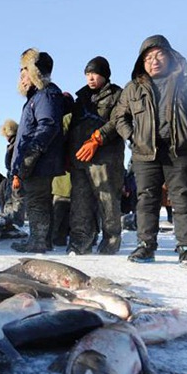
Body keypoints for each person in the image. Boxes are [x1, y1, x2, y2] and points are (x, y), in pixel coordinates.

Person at [113, 35, 187, 266]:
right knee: (146, 199)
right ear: (142, 62)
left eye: (159, 55)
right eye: (148, 57)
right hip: (145, 152)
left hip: (179, 150)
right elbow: (119, 117)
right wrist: (132, 136)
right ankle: (146, 246)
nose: (154, 61)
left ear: (170, 56)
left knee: (182, 198)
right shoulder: (133, 87)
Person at [66, 56, 124, 255]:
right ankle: (81, 241)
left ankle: (111, 240)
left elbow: (118, 121)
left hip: (105, 158)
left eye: (95, 74)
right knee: (80, 201)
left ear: (105, 75)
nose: (91, 78)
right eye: (88, 74)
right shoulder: (80, 99)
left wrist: (98, 139)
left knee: (107, 200)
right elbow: (72, 127)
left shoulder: (118, 95)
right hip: (80, 159)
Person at [9, 49, 66, 253]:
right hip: (38, 160)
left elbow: (48, 125)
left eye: (24, 70)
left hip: (40, 161)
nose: (21, 76)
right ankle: (41, 239)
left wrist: (31, 153)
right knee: (38, 200)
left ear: (35, 71)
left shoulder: (45, 95)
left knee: (37, 200)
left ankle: (38, 242)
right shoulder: (36, 97)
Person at [0, 119, 24, 224]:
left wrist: (16, 176)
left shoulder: (15, 144)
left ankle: (14, 222)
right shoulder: (16, 142)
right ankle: (12, 221)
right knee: (11, 199)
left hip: (15, 176)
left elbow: (15, 162)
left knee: (15, 199)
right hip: (13, 175)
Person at [51, 172, 71, 247]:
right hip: (71, 188)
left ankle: (54, 239)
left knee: (57, 218)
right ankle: (60, 239)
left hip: (60, 188)